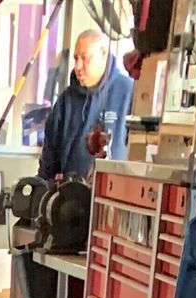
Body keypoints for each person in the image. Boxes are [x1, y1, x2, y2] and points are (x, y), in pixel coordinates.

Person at [38, 28, 136, 182]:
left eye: (85, 58)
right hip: (69, 198)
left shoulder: (130, 92)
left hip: (114, 194)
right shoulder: (65, 102)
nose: (77, 66)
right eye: (76, 58)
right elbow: (48, 163)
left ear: (104, 54)